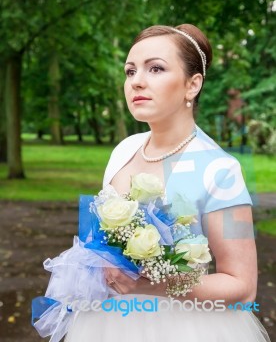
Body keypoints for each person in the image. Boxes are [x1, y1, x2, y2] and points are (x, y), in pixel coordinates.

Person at [65, 24, 271, 341]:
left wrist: (153, 284)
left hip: (186, 328)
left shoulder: (220, 169)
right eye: (130, 71)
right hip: (107, 324)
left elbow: (242, 287)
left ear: (193, 85)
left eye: (156, 68)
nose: (137, 81)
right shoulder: (123, 151)